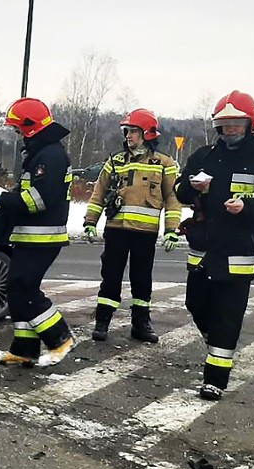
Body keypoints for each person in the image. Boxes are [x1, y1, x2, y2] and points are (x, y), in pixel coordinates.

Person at [175, 90, 254, 401]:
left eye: (237, 123)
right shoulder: (204, 156)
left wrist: (248, 208)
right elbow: (179, 189)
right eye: (225, 125)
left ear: (250, 124)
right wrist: (191, 187)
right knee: (195, 305)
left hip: (238, 255)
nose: (231, 130)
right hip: (201, 253)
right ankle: (217, 343)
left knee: (228, 317)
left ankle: (215, 380)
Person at [0, 97, 77, 368]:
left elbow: (38, 200)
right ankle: (24, 349)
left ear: (30, 127)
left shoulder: (51, 156)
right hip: (30, 236)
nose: (16, 134)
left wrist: (2, 200)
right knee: (17, 289)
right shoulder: (41, 153)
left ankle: (61, 338)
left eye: (18, 128)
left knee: (23, 287)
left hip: (43, 237)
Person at [82, 109, 182, 343]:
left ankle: (140, 324)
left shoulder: (164, 163)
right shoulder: (115, 161)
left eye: (134, 131)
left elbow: (172, 199)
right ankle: (102, 321)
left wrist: (171, 230)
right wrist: (90, 222)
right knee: (111, 276)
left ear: (147, 134)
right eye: (127, 131)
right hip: (116, 229)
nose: (128, 136)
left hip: (145, 233)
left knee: (142, 279)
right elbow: (99, 193)